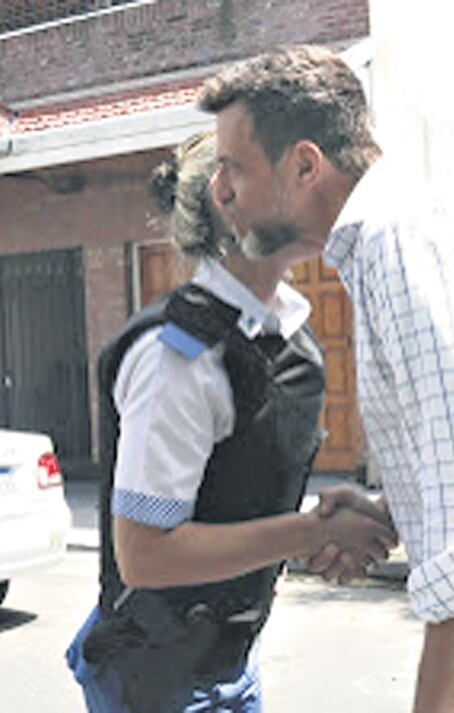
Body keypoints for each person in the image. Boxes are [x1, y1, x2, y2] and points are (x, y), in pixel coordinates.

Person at [65, 131, 396, 712]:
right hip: (157, 678)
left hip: (228, 660)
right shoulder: (177, 361)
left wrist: (324, 531)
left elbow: (239, 501)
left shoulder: (289, 340)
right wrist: (313, 532)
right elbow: (145, 556)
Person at [200, 43, 454, 712]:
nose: (220, 189)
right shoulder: (387, 240)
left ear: (305, 164)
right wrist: (390, 511)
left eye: (233, 166)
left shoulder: (397, 245)